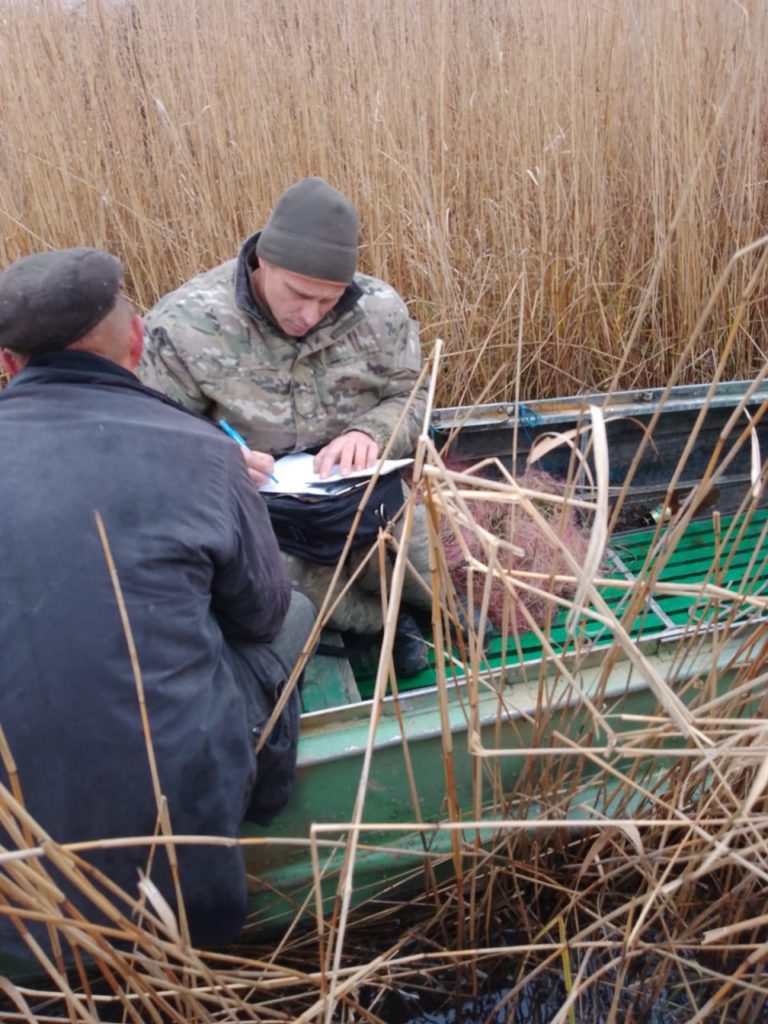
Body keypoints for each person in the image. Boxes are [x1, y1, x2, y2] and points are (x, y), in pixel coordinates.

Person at [0, 247, 316, 956]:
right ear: (138, 342)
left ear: (9, 366)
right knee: (292, 610)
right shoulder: (203, 453)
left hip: (17, 893)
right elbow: (262, 616)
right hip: (181, 884)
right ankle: (268, 798)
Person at [140, 176, 433, 676]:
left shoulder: (380, 310)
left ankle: (431, 609)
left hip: (358, 490)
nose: (310, 315)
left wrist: (371, 433)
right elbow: (153, 434)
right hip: (257, 506)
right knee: (293, 590)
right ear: (263, 262)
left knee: (422, 562)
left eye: (328, 300)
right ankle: (385, 625)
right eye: (298, 295)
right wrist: (220, 460)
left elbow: (414, 393)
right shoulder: (185, 324)